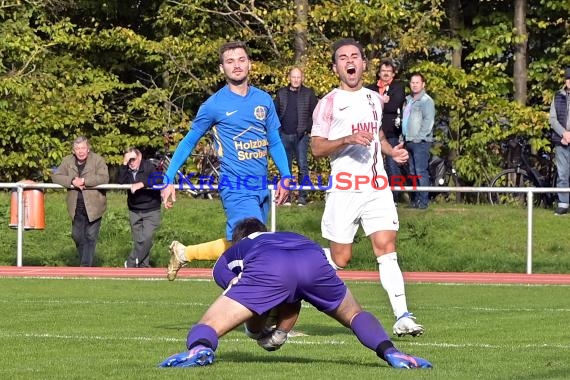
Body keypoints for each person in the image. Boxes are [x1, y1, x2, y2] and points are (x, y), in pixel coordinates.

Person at [158, 218, 432, 369]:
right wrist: (281, 329)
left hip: (270, 265)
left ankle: (200, 349)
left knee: (208, 325)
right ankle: (392, 352)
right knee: (354, 314)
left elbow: (226, 279)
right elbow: (294, 290)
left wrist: (256, 320)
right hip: (312, 256)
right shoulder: (287, 235)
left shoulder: (236, 249)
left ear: (238, 239)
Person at [310, 38, 424, 337]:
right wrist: (345, 139)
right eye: (343, 57)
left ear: (363, 64)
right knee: (340, 258)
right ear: (336, 67)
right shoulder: (328, 102)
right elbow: (317, 148)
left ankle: (402, 316)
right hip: (345, 188)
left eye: (355, 56)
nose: (350, 61)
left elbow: (379, 136)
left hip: (376, 187)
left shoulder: (375, 98)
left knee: (386, 249)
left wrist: (392, 152)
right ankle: (292, 266)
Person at [160, 41, 291, 281]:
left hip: (260, 186)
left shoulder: (263, 100)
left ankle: (184, 252)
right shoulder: (213, 106)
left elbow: (274, 141)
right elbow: (189, 142)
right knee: (255, 244)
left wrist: (286, 176)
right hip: (235, 186)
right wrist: (168, 178)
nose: (237, 65)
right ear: (222, 69)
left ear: (250, 64)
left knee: (240, 243)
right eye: (230, 61)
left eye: (241, 59)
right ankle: (248, 301)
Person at [51, 136, 109, 267]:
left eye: (83, 148)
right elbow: (56, 176)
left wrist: (84, 181)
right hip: (76, 206)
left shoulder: (98, 160)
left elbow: (104, 178)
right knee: (77, 236)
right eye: (77, 148)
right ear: (73, 150)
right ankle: (86, 262)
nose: (80, 151)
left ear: (88, 148)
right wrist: (72, 181)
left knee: (90, 236)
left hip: (95, 206)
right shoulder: (67, 161)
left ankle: (85, 266)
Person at [274, 67, 319, 206]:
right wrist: (278, 130)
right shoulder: (281, 93)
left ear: (302, 78)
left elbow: (316, 113)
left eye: (298, 77)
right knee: (284, 168)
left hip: (301, 136)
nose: (296, 80)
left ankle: (302, 198)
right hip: (284, 135)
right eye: (293, 77)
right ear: (289, 78)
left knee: (303, 166)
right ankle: (285, 197)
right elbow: (273, 113)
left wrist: (307, 129)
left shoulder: (308, 93)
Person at [367, 58, 406, 205]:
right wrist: (383, 101)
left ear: (393, 74)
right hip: (372, 131)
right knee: (372, 164)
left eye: (389, 72)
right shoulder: (370, 88)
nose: (386, 74)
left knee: (392, 165)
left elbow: (394, 105)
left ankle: (394, 198)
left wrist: (380, 103)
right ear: (379, 73)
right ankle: (372, 196)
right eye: (383, 71)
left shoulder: (398, 87)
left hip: (391, 133)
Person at [117, 148, 162, 268]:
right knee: (139, 242)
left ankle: (130, 263)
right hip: (134, 210)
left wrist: (142, 183)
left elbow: (159, 178)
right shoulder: (126, 168)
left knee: (146, 239)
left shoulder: (149, 166)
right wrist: (123, 164)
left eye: (133, 159)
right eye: (128, 160)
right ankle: (144, 267)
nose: (131, 162)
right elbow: (120, 181)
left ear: (140, 157)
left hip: (151, 209)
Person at [402, 72, 435, 209]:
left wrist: (419, 138)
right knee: (412, 172)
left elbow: (428, 121)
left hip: (420, 142)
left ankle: (423, 202)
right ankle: (415, 200)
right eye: (412, 82)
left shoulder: (427, 101)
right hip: (407, 140)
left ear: (423, 84)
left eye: (417, 82)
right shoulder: (408, 100)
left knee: (421, 171)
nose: (414, 85)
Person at [550, 67, 570, 216]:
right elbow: (553, 119)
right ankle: (563, 205)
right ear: (565, 81)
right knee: (562, 174)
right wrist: (564, 133)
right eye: (568, 79)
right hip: (561, 141)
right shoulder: (557, 96)